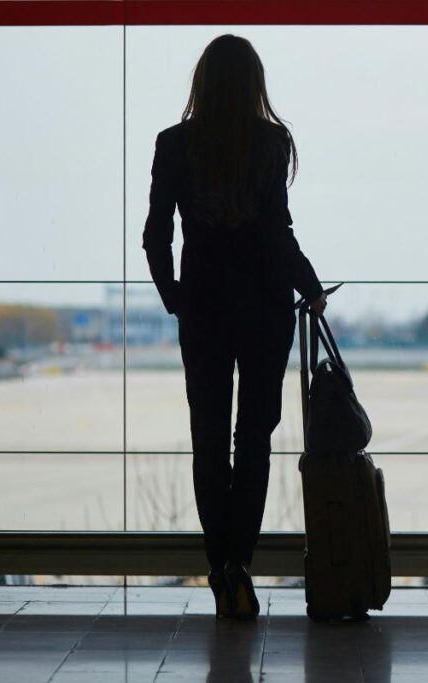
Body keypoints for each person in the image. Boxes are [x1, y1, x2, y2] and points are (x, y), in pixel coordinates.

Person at [142, 34, 327, 620]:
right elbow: (277, 232)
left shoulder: (174, 145)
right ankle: (238, 565)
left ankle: (220, 565)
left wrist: (175, 297)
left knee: (208, 438)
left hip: (203, 310)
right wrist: (311, 287)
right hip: (264, 311)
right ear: (254, 83)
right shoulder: (272, 142)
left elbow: (156, 234)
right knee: (254, 442)